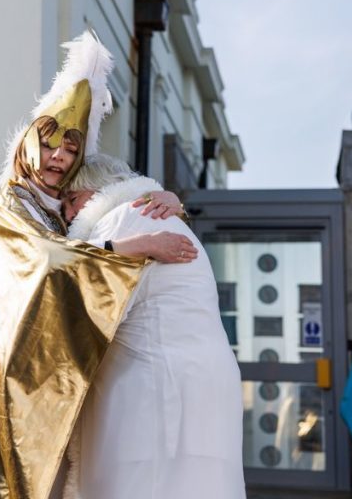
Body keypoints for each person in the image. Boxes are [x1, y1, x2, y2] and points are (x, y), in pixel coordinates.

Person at [0, 32, 193, 499]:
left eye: (69, 152)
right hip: (14, 375)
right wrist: (138, 244)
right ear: (29, 146)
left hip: (57, 371)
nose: (58, 159)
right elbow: (49, 262)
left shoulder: (57, 204)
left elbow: (118, 189)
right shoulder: (11, 205)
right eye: (50, 148)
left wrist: (168, 198)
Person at [63, 154, 245, 498]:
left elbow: (85, 304)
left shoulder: (121, 219)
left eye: (73, 200)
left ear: (100, 191)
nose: (70, 215)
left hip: (155, 386)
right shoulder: (161, 215)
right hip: (205, 379)